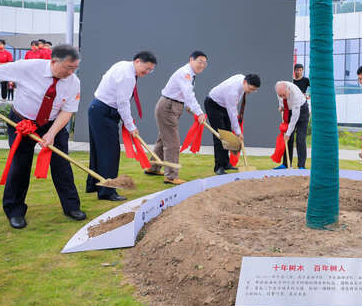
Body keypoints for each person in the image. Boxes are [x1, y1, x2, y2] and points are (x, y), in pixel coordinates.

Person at [0, 44, 85, 229]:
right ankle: (15, 211)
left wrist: (51, 134)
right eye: (68, 68)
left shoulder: (74, 82)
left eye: (74, 68)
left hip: (53, 123)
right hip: (22, 122)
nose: (71, 72)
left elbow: (67, 111)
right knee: (20, 164)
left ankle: (71, 207)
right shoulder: (28, 67)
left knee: (62, 163)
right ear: (53, 62)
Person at [87, 51, 157, 201]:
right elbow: (123, 103)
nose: (147, 72)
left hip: (98, 109)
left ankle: (94, 184)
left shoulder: (124, 65)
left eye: (151, 70)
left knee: (99, 150)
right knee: (109, 152)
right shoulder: (127, 76)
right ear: (137, 61)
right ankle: (107, 191)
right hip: (104, 111)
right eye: (146, 68)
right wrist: (131, 126)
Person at [145, 51, 208, 184]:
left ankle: (153, 167)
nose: (202, 65)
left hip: (172, 106)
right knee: (172, 143)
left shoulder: (190, 74)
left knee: (163, 140)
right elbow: (188, 94)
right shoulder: (185, 73)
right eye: (200, 62)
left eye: (205, 63)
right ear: (191, 60)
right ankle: (171, 176)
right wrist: (199, 112)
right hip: (168, 107)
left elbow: (183, 95)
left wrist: (190, 109)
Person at [205, 73, 261, 175]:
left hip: (224, 105)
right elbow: (233, 114)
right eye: (250, 89)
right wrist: (239, 132)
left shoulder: (242, 79)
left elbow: (232, 110)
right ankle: (218, 167)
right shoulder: (233, 92)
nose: (251, 92)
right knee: (220, 136)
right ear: (245, 82)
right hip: (213, 104)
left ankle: (226, 163)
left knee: (228, 135)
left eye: (254, 90)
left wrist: (236, 130)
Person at [273, 80, 309, 169]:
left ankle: (301, 166)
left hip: (302, 110)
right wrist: (281, 105)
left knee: (300, 138)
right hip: (288, 110)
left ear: (288, 90)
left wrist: (289, 133)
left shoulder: (295, 95)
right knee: (288, 139)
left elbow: (294, 118)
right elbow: (281, 100)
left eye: (284, 95)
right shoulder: (279, 87)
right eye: (280, 95)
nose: (282, 97)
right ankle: (286, 164)